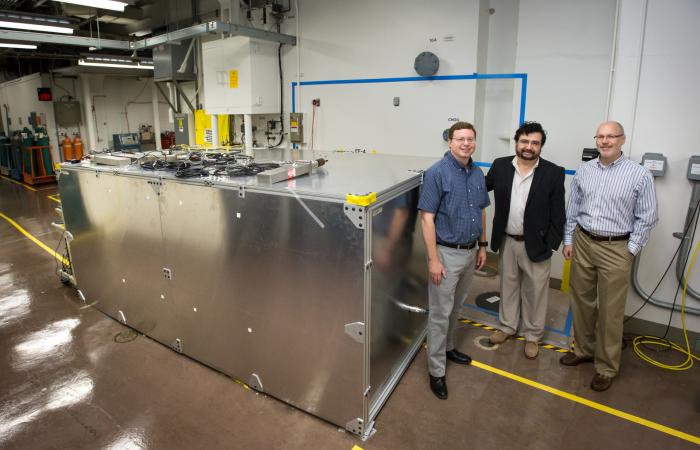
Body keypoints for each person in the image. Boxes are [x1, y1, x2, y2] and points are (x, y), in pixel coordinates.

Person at [561, 121, 658, 392]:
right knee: (581, 301)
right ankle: (582, 350)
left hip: (617, 247)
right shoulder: (585, 170)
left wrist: (631, 249)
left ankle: (606, 367)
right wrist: (569, 239)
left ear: (622, 140)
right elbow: (574, 207)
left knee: (610, 311)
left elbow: (648, 217)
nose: (605, 141)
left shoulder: (639, 175)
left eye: (610, 136)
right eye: (600, 136)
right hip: (583, 241)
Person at [418, 121, 489, 400]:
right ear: (450, 142)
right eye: (460, 139)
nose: (465, 143)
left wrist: (483, 245)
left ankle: (448, 349)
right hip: (446, 254)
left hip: (471, 251)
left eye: (470, 139)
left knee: (456, 307)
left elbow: (482, 211)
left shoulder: (477, 172)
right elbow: (427, 218)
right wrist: (433, 260)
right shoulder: (437, 173)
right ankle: (436, 371)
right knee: (439, 314)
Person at [485, 122, 565, 359]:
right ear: (516, 142)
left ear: (540, 146)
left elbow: (558, 213)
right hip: (507, 240)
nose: (529, 147)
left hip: (537, 244)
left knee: (536, 292)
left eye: (534, 143)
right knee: (507, 287)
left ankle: (532, 336)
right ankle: (507, 326)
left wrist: (550, 243)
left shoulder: (553, 172)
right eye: (524, 141)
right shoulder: (500, 166)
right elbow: (478, 189)